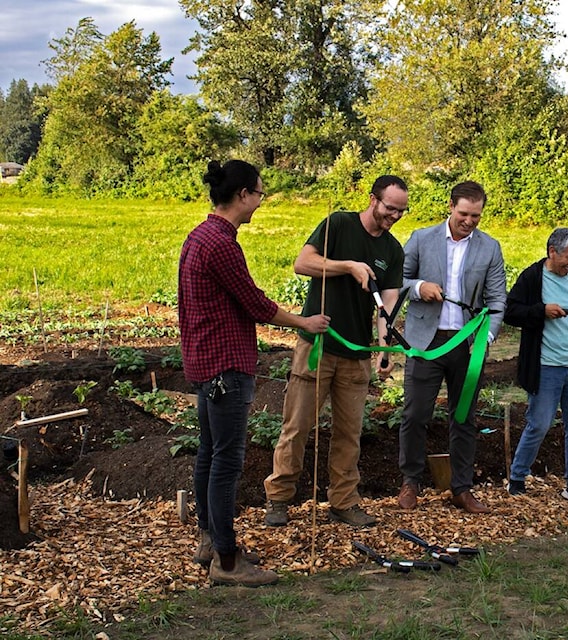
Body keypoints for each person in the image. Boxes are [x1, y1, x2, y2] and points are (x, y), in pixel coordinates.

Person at [179, 159, 330, 587]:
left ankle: (210, 541)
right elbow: (255, 303)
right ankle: (227, 562)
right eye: (260, 193)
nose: (261, 201)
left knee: (210, 454)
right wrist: (304, 322)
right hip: (226, 366)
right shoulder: (221, 244)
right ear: (242, 195)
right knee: (227, 463)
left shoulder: (198, 236)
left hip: (206, 364)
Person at [263, 175, 407, 528]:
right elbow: (303, 263)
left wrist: (383, 349)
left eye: (402, 211)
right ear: (372, 199)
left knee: (349, 434)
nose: (395, 216)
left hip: (356, 356)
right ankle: (278, 499)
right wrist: (348, 266)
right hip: (319, 346)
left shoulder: (393, 250)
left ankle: (343, 501)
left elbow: (386, 308)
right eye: (390, 208)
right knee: (296, 427)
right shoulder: (338, 224)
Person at [396, 181, 507, 514]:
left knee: (464, 418)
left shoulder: (490, 248)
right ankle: (410, 483)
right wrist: (418, 287)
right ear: (450, 206)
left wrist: (484, 339)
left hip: (469, 344)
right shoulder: (421, 238)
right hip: (426, 342)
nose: (469, 221)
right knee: (416, 414)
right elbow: (396, 283)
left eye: (476, 215)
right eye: (464, 214)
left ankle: (461, 487)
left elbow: (497, 300)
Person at [503, 228, 568, 505]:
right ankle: (517, 478)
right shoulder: (532, 278)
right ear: (552, 252)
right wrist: (541, 311)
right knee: (539, 424)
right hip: (546, 366)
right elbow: (511, 311)